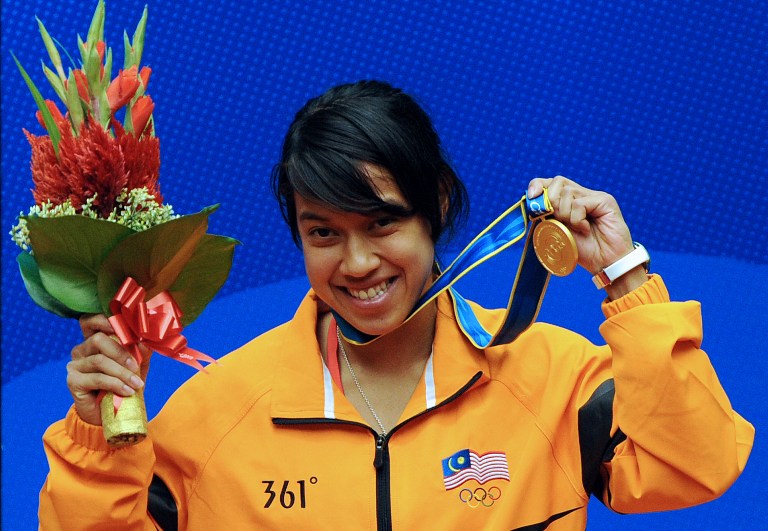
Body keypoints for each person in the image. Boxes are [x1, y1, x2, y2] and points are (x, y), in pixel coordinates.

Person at [39, 80, 753, 530]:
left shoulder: (553, 379)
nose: (356, 263)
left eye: (382, 224)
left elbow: (696, 465)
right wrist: (101, 434)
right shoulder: (217, 414)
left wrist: (625, 277)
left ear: (435, 208)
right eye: (324, 233)